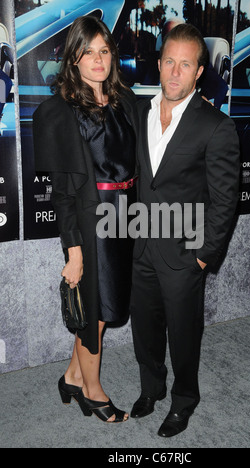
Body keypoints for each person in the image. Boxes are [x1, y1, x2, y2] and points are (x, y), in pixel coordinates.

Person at [130, 24, 240, 437]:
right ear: (159, 65)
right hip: (140, 246)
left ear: (198, 72)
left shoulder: (216, 126)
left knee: (183, 335)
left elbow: (224, 199)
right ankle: (151, 389)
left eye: (186, 64)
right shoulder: (139, 112)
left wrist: (203, 254)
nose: (175, 72)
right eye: (169, 62)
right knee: (144, 330)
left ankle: (183, 400)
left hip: (184, 254)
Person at [33, 16, 138, 424]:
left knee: (101, 310)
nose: (98, 59)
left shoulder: (124, 101)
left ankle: (73, 377)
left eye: (105, 50)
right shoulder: (61, 112)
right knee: (93, 310)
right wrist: (73, 252)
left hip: (125, 218)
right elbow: (62, 193)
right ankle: (93, 392)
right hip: (91, 222)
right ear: (74, 58)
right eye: (89, 51)